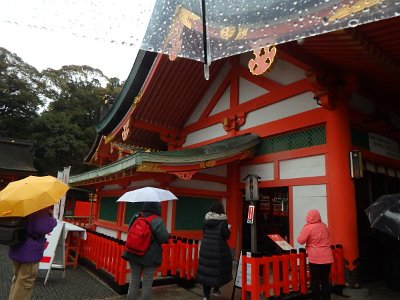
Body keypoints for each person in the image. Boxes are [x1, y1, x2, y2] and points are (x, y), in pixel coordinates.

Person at [122, 202, 169, 300]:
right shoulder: (157, 220)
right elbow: (164, 238)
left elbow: (129, 229)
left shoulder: (136, 216)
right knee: (147, 284)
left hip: (133, 253)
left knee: (134, 282)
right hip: (150, 257)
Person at [8, 206, 57, 300]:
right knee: (25, 283)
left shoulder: (19, 204)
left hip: (16, 246)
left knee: (18, 280)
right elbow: (43, 227)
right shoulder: (39, 208)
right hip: (30, 251)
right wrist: (52, 220)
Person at [197, 201, 233, 300]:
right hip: (218, 249)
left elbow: (204, 232)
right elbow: (226, 235)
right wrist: (228, 229)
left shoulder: (206, 220)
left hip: (206, 248)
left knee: (206, 271)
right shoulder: (223, 221)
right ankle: (216, 289)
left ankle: (205, 295)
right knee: (218, 270)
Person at [297, 209, 334, 300]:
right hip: (327, 258)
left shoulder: (308, 227)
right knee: (325, 281)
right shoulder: (324, 226)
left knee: (315, 282)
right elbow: (328, 235)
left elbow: (300, 241)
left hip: (315, 258)